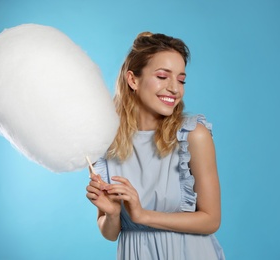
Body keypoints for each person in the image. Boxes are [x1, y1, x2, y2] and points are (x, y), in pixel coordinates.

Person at [86, 32, 225, 260]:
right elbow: (111, 234)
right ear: (133, 80)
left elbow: (211, 220)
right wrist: (111, 214)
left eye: (181, 80)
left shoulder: (193, 136)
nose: (175, 89)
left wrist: (143, 215)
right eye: (163, 76)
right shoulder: (103, 142)